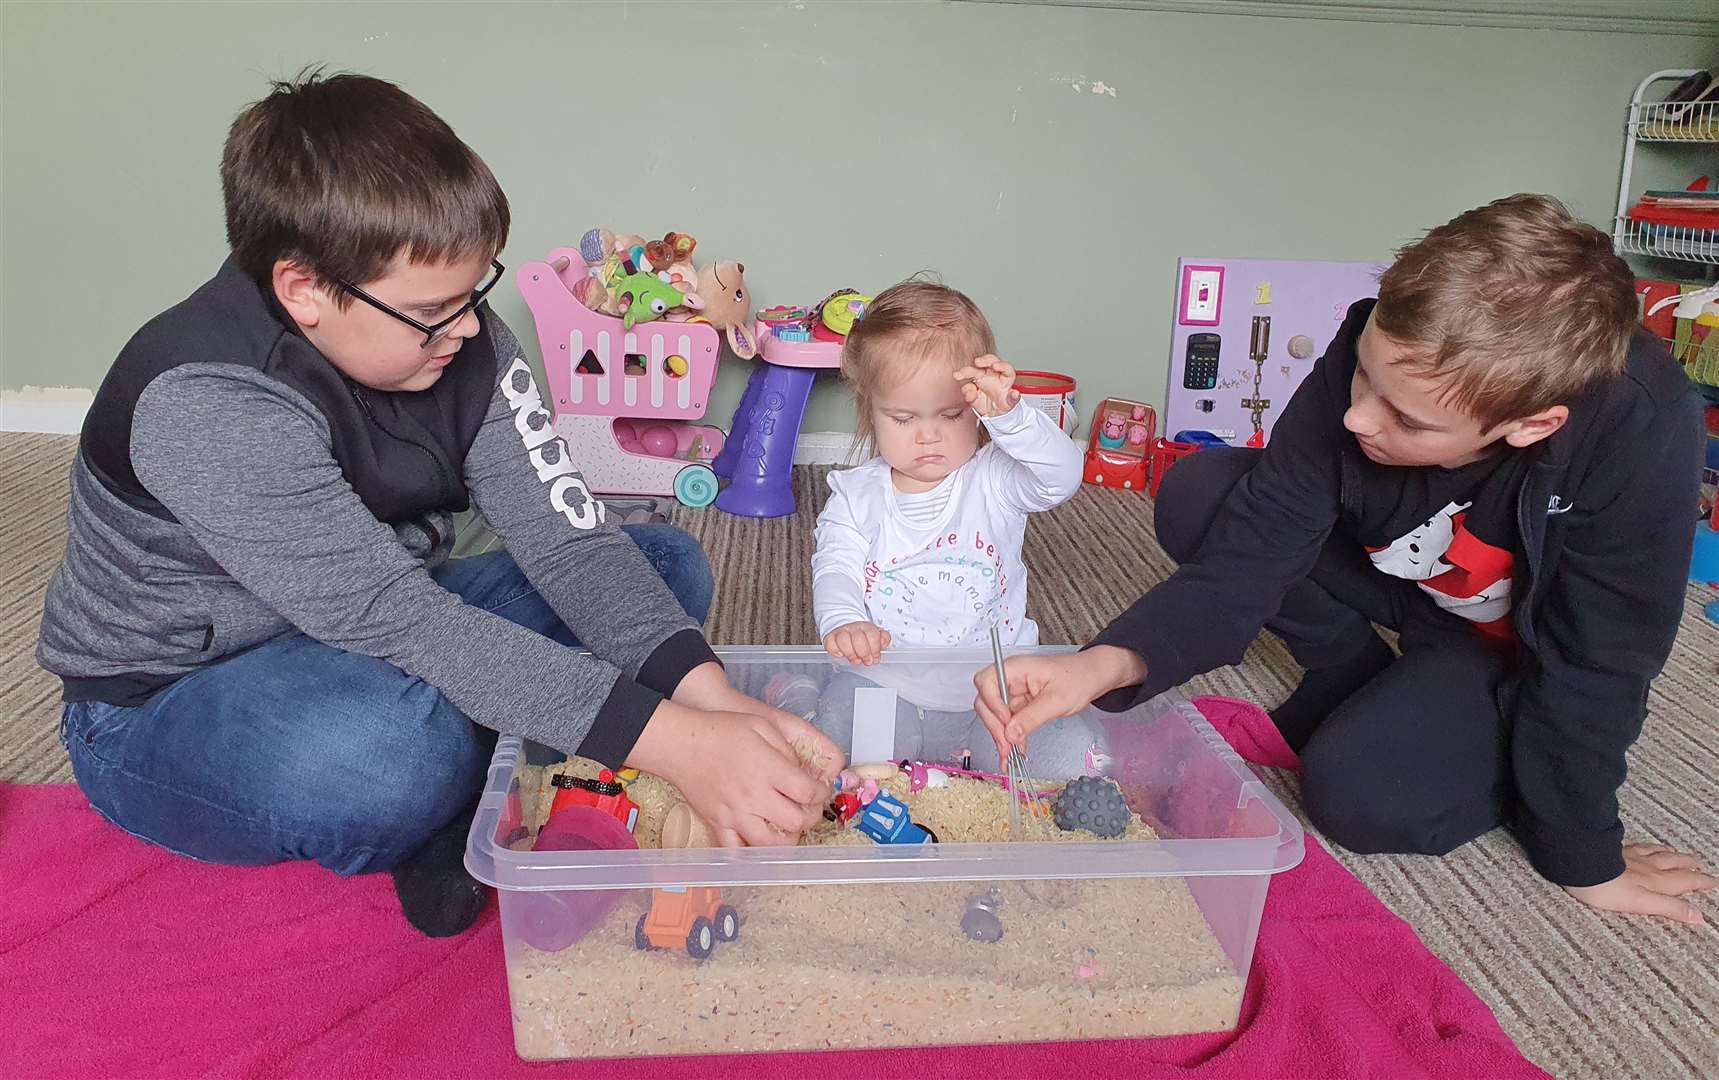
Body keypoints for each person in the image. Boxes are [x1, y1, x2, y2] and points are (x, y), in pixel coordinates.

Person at [36, 70, 840, 937]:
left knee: (659, 565)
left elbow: (568, 544)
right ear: (304, 289)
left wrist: (714, 701)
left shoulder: (461, 337)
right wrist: (677, 744)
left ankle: (487, 765)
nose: (466, 332)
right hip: (174, 696)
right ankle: (467, 778)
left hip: (379, 622)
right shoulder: (205, 398)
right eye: (430, 313)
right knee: (386, 760)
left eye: (473, 295)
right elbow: (393, 616)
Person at [974, 195, 1717, 923]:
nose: (1357, 416)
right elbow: (1255, 547)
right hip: (1402, 582)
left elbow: (1599, 659)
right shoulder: (1384, 346)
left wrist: (1581, 851)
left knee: (1362, 796)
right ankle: (1351, 673)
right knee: (1203, 491)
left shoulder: (1641, 429)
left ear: (1532, 425)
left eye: (1407, 418)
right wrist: (1101, 663)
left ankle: (1458, 712)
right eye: (1364, 377)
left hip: (1507, 647)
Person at [807, 280, 1098, 775]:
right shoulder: (856, 496)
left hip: (998, 683)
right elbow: (834, 566)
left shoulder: (994, 477)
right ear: (869, 411)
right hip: (890, 681)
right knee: (841, 758)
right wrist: (843, 621)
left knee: (1066, 763)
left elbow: (1064, 476)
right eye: (902, 418)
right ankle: (798, 693)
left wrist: (1012, 418)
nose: (927, 435)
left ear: (976, 405)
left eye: (950, 414)